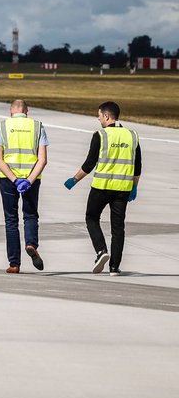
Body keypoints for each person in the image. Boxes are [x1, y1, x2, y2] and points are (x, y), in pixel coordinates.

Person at [64, 101, 143, 276]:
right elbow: (137, 167)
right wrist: (134, 187)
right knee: (118, 228)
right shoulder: (132, 136)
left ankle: (101, 250)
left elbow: (89, 164)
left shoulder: (100, 135)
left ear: (106, 116)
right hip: (122, 189)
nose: (98, 118)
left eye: (99, 115)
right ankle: (114, 267)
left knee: (91, 218)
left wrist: (74, 180)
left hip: (101, 187)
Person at [0, 99, 47, 273]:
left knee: (11, 220)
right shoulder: (38, 127)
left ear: (11, 111)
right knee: (30, 215)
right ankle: (31, 243)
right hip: (31, 179)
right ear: (27, 111)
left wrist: (15, 180)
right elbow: (43, 159)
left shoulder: (2, 126)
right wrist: (28, 180)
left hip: (8, 179)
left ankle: (14, 264)